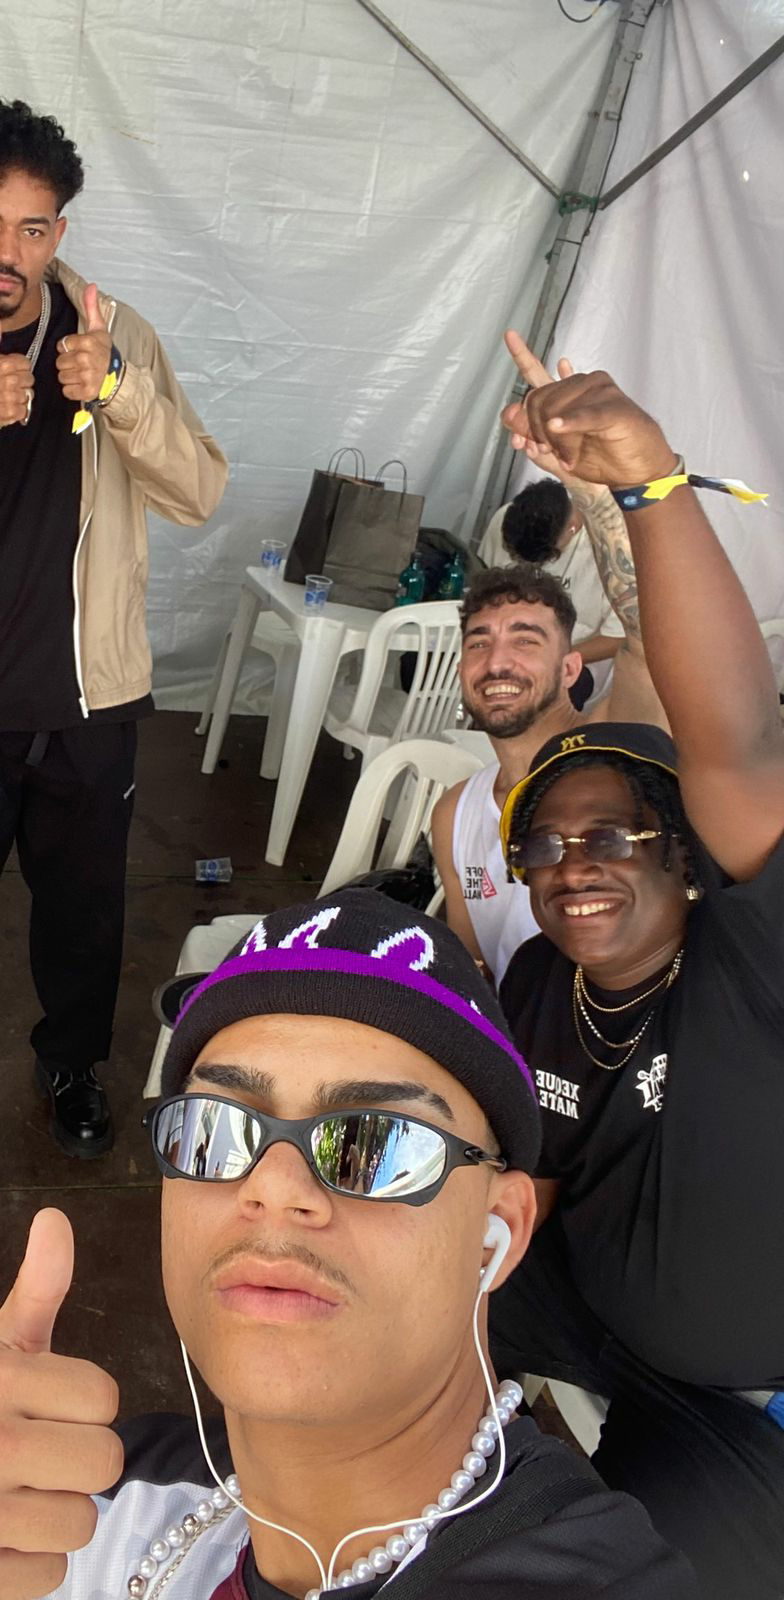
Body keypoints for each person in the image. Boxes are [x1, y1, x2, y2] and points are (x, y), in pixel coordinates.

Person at [0, 889, 696, 1599]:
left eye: (377, 1142)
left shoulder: (583, 1575)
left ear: (497, 1231)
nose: (275, 1186)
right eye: (218, 1129)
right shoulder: (95, 1488)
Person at [0, 100, 227, 1155]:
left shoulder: (120, 336)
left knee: (84, 908)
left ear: (59, 232)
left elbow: (199, 491)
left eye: (29, 227)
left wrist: (119, 391)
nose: (5, 252)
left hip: (88, 697)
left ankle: (72, 1064)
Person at [485, 366, 784, 1599]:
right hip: (582, 1307)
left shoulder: (748, 964)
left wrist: (651, 485)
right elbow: (543, 1163)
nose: (573, 866)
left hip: (737, 1403)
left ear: (689, 861)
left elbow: (737, 742)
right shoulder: (540, 982)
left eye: (612, 834)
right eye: (545, 846)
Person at [429, 334, 666, 988]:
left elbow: (652, 627)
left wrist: (592, 493)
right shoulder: (455, 814)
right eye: (479, 641)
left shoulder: (616, 753)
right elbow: (470, 970)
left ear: (570, 670)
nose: (497, 659)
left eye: (527, 639)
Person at [478, 477, 622, 708]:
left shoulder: (613, 550)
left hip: (573, 655)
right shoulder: (506, 521)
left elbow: (617, 638)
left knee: (532, 699)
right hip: (503, 641)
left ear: (572, 527)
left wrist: (550, 659)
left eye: (548, 555)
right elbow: (482, 592)